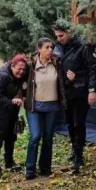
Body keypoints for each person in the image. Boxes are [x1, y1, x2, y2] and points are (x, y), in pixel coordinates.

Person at [52, 20, 96, 174]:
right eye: (57, 36)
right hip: (66, 94)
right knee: (69, 124)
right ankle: (74, 149)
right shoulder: (58, 47)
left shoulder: (84, 46)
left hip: (81, 92)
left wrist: (92, 90)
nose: (59, 38)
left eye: (61, 35)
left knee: (79, 123)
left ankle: (79, 155)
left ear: (70, 33)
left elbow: (93, 69)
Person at [24, 38, 66, 180]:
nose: (50, 50)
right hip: (34, 106)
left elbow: (62, 82)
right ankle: (30, 169)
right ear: (39, 49)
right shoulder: (30, 65)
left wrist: (71, 79)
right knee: (35, 136)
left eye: (52, 48)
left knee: (48, 138)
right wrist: (21, 94)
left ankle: (45, 168)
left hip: (52, 107)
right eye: (47, 47)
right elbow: (21, 82)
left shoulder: (57, 64)